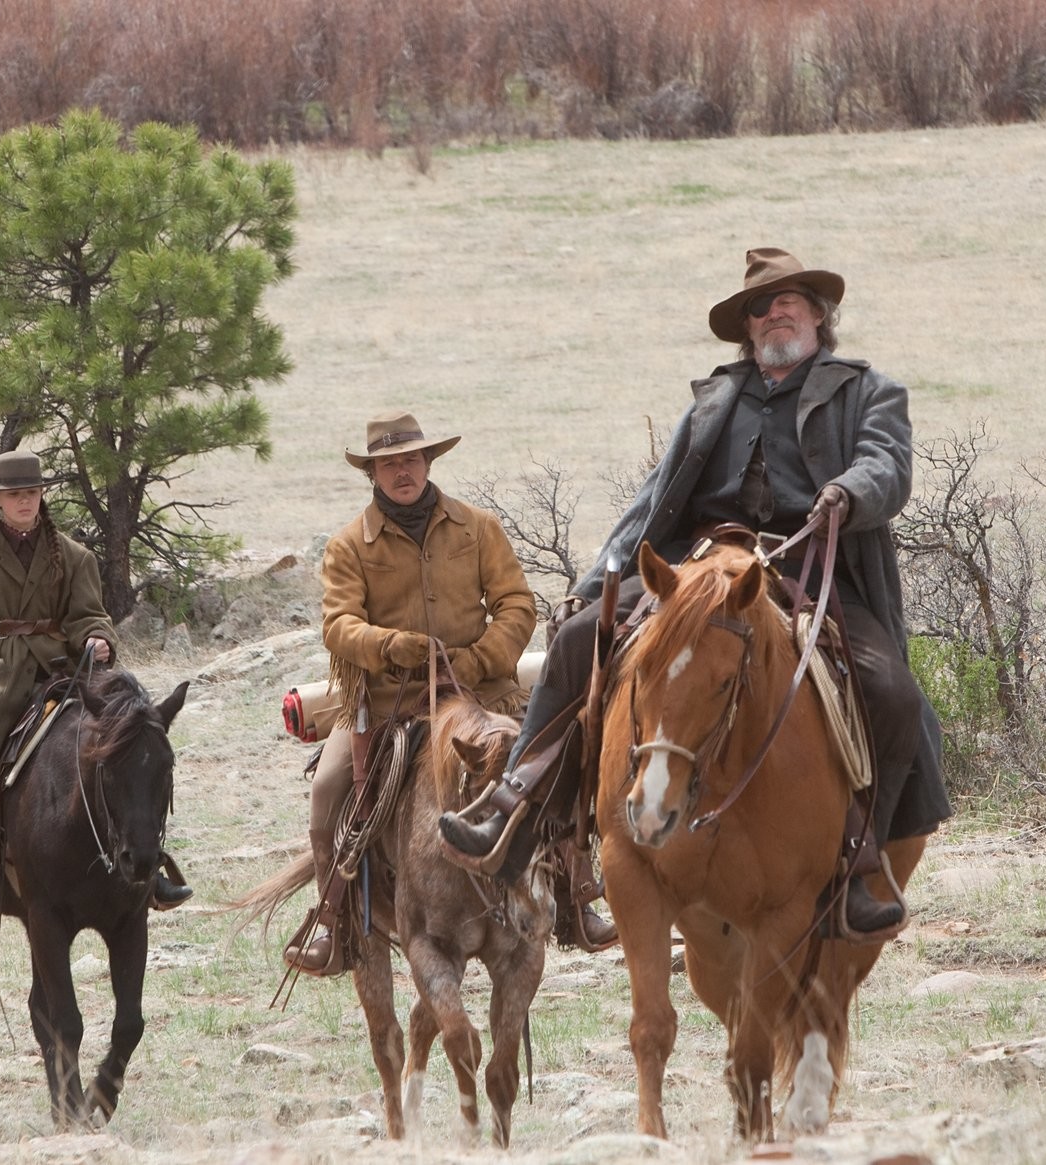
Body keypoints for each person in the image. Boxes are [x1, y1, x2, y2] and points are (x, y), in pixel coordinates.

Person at [439, 247, 953, 936]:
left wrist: (848, 491)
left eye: (787, 304)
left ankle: (860, 864)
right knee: (572, 643)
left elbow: (886, 465)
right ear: (746, 327)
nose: (773, 316)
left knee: (891, 691)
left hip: (805, 568)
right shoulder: (717, 396)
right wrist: (599, 583)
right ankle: (519, 811)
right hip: (694, 565)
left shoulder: (869, 391)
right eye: (759, 309)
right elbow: (655, 500)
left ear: (818, 316)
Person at [286, 411, 605, 975]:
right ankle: (332, 922)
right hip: (388, 701)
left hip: (483, 695)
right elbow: (339, 625)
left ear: (428, 462)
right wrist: (391, 647)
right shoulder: (347, 547)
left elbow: (516, 604)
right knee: (329, 789)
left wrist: (479, 658)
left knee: (555, 765)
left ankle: (578, 897)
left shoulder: (478, 528)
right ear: (373, 474)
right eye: (389, 464)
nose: (401, 472)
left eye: (410, 459)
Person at [0, 449, 191, 918]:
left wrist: (98, 639)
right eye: (15, 495)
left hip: (63, 669)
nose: (24, 502)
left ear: (42, 496)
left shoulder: (74, 556)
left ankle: (151, 866)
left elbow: (90, 614)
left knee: (132, 744)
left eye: (32, 493)